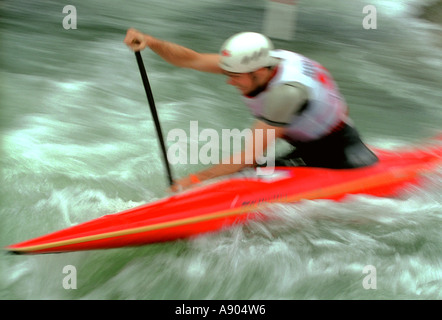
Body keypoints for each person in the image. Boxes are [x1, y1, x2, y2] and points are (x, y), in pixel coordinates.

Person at [124, 28, 378, 191]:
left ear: (258, 73)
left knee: (243, 175)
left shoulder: (285, 92)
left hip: (341, 157)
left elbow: (248, 157)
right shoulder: (259, 62)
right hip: (314, 143)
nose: (228, 80)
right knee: (240, 175)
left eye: (235, 77)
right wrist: (150, 41)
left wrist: (192, 181)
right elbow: (192, 59)